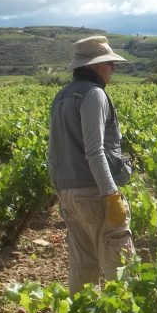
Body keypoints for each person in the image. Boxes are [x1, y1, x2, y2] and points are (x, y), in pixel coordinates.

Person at [48, 35, 135, 296]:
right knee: (118, 262)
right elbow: (94, 151)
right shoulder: (94, 95)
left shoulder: (61, 97)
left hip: (68, 194)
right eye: (110, 64)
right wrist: (111, 194)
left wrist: (60, 193)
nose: (113, 70)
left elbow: (53, 151)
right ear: (96, 66)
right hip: (95, 193)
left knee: (82, 266)